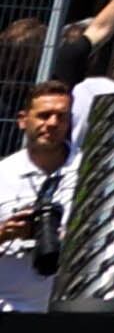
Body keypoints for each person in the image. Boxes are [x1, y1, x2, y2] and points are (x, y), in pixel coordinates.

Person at [0, 77, 76, 309]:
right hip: (9, 306)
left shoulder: (90, 173)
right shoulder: (4, 174)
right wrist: (5, 233)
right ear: (23, 120)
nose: (52, 123)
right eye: (44, 115)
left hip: (69, 310)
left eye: (61, 116)